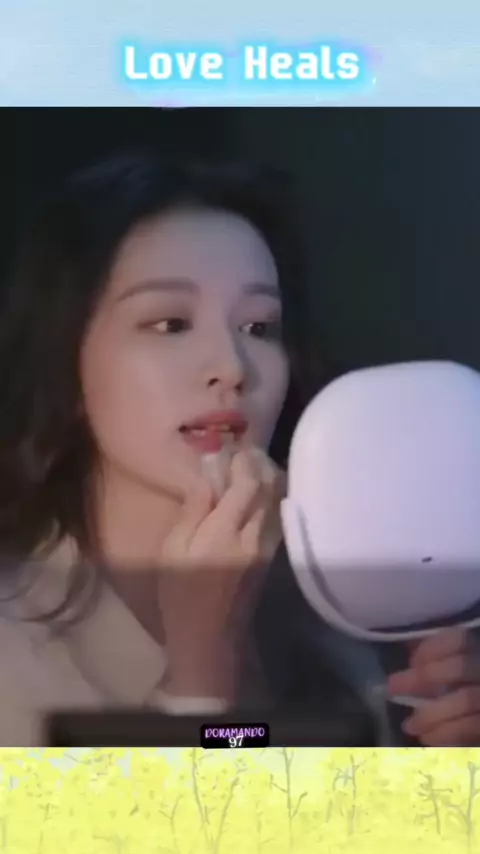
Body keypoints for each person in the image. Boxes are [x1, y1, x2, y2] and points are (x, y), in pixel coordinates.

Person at [0, 149, 479, 747]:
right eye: (170, 324)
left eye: (258, 327)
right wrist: (201, 674)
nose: (231, 367)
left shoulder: (329, 620)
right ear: (66, 364)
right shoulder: (16, 651)